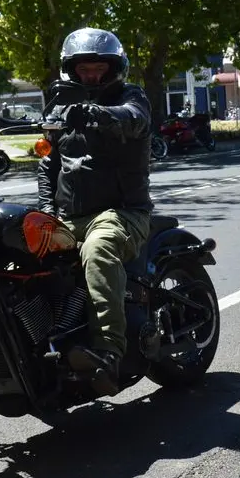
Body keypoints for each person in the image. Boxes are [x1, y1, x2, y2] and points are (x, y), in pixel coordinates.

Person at [36, 28, 154, 396]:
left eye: (99, 69)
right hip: (70, 216)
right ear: (71, 70)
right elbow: (48, 164)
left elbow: (134, 118)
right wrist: (45, 212)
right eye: (84, 70)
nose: (91, 76)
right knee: (15, 250)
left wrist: (94, 113)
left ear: (113, 69)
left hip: (122, 212)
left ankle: (108, 353)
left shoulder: (131, 97)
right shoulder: (58, 108)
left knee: (98, 248)